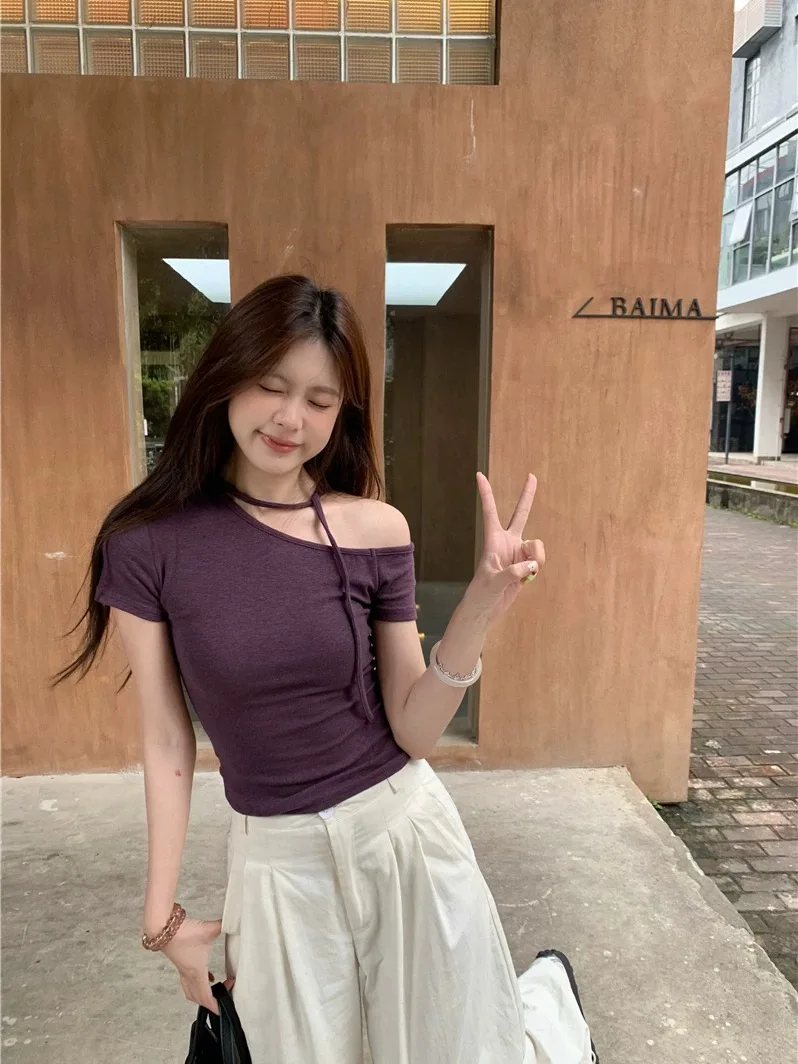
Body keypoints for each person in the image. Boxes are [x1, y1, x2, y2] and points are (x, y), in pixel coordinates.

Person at [57, 275, 597, 1063]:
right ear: (226, 377)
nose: (291, 419)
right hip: (276, 868)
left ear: (343, 410)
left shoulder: (375, 529)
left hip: (403, 836)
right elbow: (167, 736)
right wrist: (162, 919)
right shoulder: (148, 544)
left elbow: (414, 730)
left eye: (319, 399)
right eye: (271, 386)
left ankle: (551, 1016)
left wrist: (481, 604)